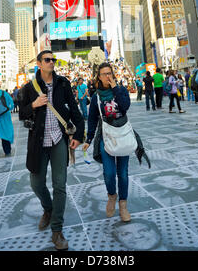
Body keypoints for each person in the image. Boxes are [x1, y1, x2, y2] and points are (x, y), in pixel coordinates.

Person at [20, 50, 84, 251]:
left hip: (58, 140)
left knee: (60, 185)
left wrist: (79, 136)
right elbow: (22, 112)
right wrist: (33, 104)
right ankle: (48, 209)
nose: (51, 62)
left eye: (53, 60)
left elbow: (74, 109)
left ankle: (57, 230)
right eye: (47, 60)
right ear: (39, 63)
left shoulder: (63, 83)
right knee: (36, 183)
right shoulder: (29, 88)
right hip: (38, 143)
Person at [83, 62, 132, 222]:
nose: (107, 76)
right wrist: (89, 139)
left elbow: (125, 106)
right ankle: (112, 196)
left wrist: (116, 89)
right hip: (106, 136)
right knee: (109, 173)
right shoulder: (96, 96)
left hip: (123, 134)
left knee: (123, 174)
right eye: (104, 74)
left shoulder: (121, 90)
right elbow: (91, 119)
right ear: (99, 77)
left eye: (109, 73)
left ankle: (123, 205)